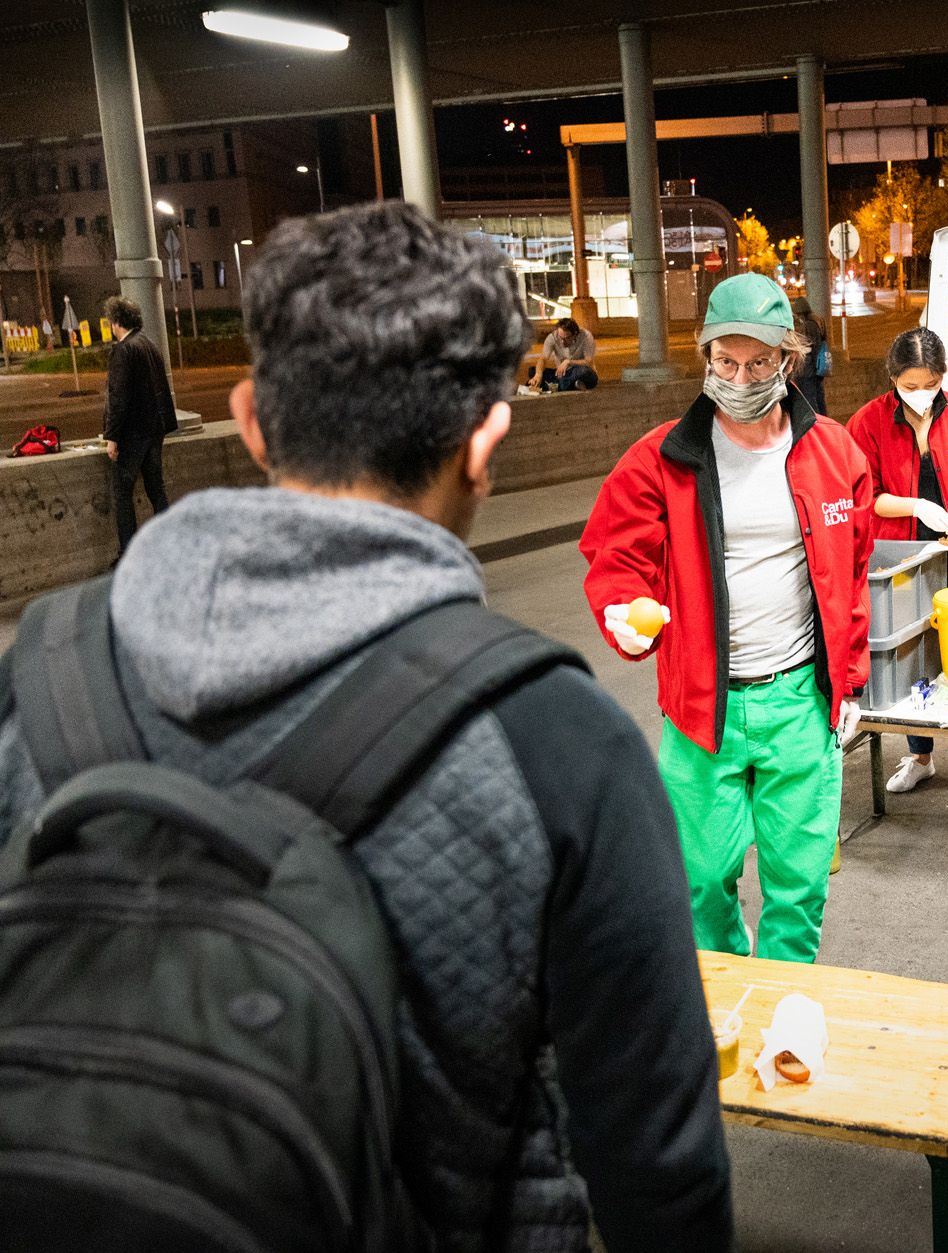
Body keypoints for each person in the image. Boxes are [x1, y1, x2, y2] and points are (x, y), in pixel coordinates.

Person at [0, 203, 733, 1252]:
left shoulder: (36, 679)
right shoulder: (559, 743)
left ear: (252, 419)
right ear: (486, 440)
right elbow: (658, 1164)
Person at [581, 272, 872, 965]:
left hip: (800, 698)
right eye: (725, 361)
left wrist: (851, 679)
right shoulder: (662, 458)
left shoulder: (834, 454)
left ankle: (782, 1010)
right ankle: (725, 996)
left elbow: (850, 574)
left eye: (758, 362)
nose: (740, 376)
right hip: (702, 706)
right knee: (701, 877)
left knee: (798, 885)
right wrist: (621, 609)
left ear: (787, 360)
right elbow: (616, 553)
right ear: (707, 357)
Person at [847, 327, 948, 807]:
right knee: (913, 659)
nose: (921, 393)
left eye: (930, 383)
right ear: (892, 378)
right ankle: (918, 756)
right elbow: (865, 498)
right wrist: (915, 507)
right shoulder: (867, 423)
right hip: (905, 562)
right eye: (910, 385)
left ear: (943, 377)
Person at [100, 295, 177, 555]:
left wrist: (112, 437)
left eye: (111, 322)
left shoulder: (124, 350)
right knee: (156, 488)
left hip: (134, 434)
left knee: (122, 493)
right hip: (155, 429)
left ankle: (130, 553)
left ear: (117, 322)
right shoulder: (148, 344)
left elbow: (118, 397)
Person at [523, 315, 598, 393]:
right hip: (561, 374)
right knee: (532, 371)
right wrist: (538, 375)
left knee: (584, 372)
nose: (562, 342)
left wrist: (568, 362)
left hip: (580, 371)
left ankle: (553, 385)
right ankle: (571, 385)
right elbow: (543, 359)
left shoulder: (586, 336)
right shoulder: (552, 337)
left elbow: (588, 362)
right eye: (560, 338)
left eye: (567, 338)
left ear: (575, 334)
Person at [789, 295, 828, 414]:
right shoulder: (818, 321)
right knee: (819, 397)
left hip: (810, 368)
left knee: (810, 397)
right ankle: (824, 420)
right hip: (817, 366)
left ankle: (816, 423)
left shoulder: (809, 325)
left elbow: (812, 346)